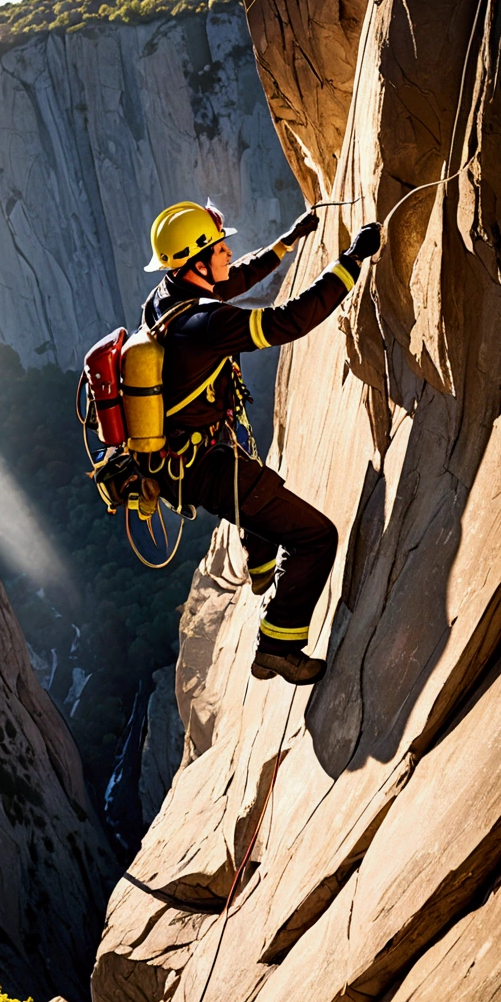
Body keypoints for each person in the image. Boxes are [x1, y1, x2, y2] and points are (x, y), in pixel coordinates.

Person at [139, 201, 382, 684]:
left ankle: (260, 560)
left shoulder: (168, 298)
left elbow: (232, 280)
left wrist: (288, 241)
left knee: (257, 489)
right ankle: (278, 645)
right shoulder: (205, 325)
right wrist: (351, 262)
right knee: (316, 538)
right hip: (203, 465)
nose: (229, 252)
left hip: (184, 459)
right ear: (195, 262)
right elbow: (286, 322)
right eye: (220, 247)